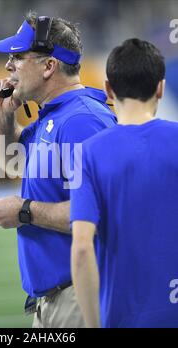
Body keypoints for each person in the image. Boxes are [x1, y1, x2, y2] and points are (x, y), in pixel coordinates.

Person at [0, 11, 116, 328]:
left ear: (49, 66)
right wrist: (3, 116)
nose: (8, 66)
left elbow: (100, 212)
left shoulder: (81, 121)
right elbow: (13, 161)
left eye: (18, 57)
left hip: (78, 299)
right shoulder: (55, 116)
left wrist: (24, 211)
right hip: (55, 302)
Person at [71, 38, 178, 328]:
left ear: (108, 89)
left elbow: (81, 249)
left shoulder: (87, 154)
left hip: (122, 317)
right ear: (160, 88)